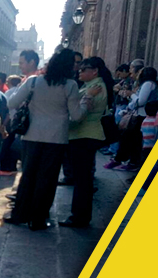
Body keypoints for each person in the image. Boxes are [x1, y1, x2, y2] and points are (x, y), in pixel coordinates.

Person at [4, 49, 99, 230]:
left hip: (32, 135)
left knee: (28, 176)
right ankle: (38, 219)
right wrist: (87, 101)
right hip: (56, 138)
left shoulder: (33, 82)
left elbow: (11, 103)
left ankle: (20, 214)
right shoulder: (70, 85)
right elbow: (77, 115)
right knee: (47, 180)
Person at [60, 57, 114, 228]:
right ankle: (80, 215)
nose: (80, 72)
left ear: (95, 71)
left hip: (84, 136)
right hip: (84, 136)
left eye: (84, 69)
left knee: (82, 179)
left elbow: (78, 116)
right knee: (83, 178)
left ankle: (79, 216)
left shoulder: (94, 88)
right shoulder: (92, 86)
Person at [105, 66, 158, 171]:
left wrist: (131, 95)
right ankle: (127, 161)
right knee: (132, 140)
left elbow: (140, 101)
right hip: (140, 115)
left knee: (134, 141)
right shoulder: (146, 85)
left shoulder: (148, 84)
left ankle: (131, 162)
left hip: (142, 117)